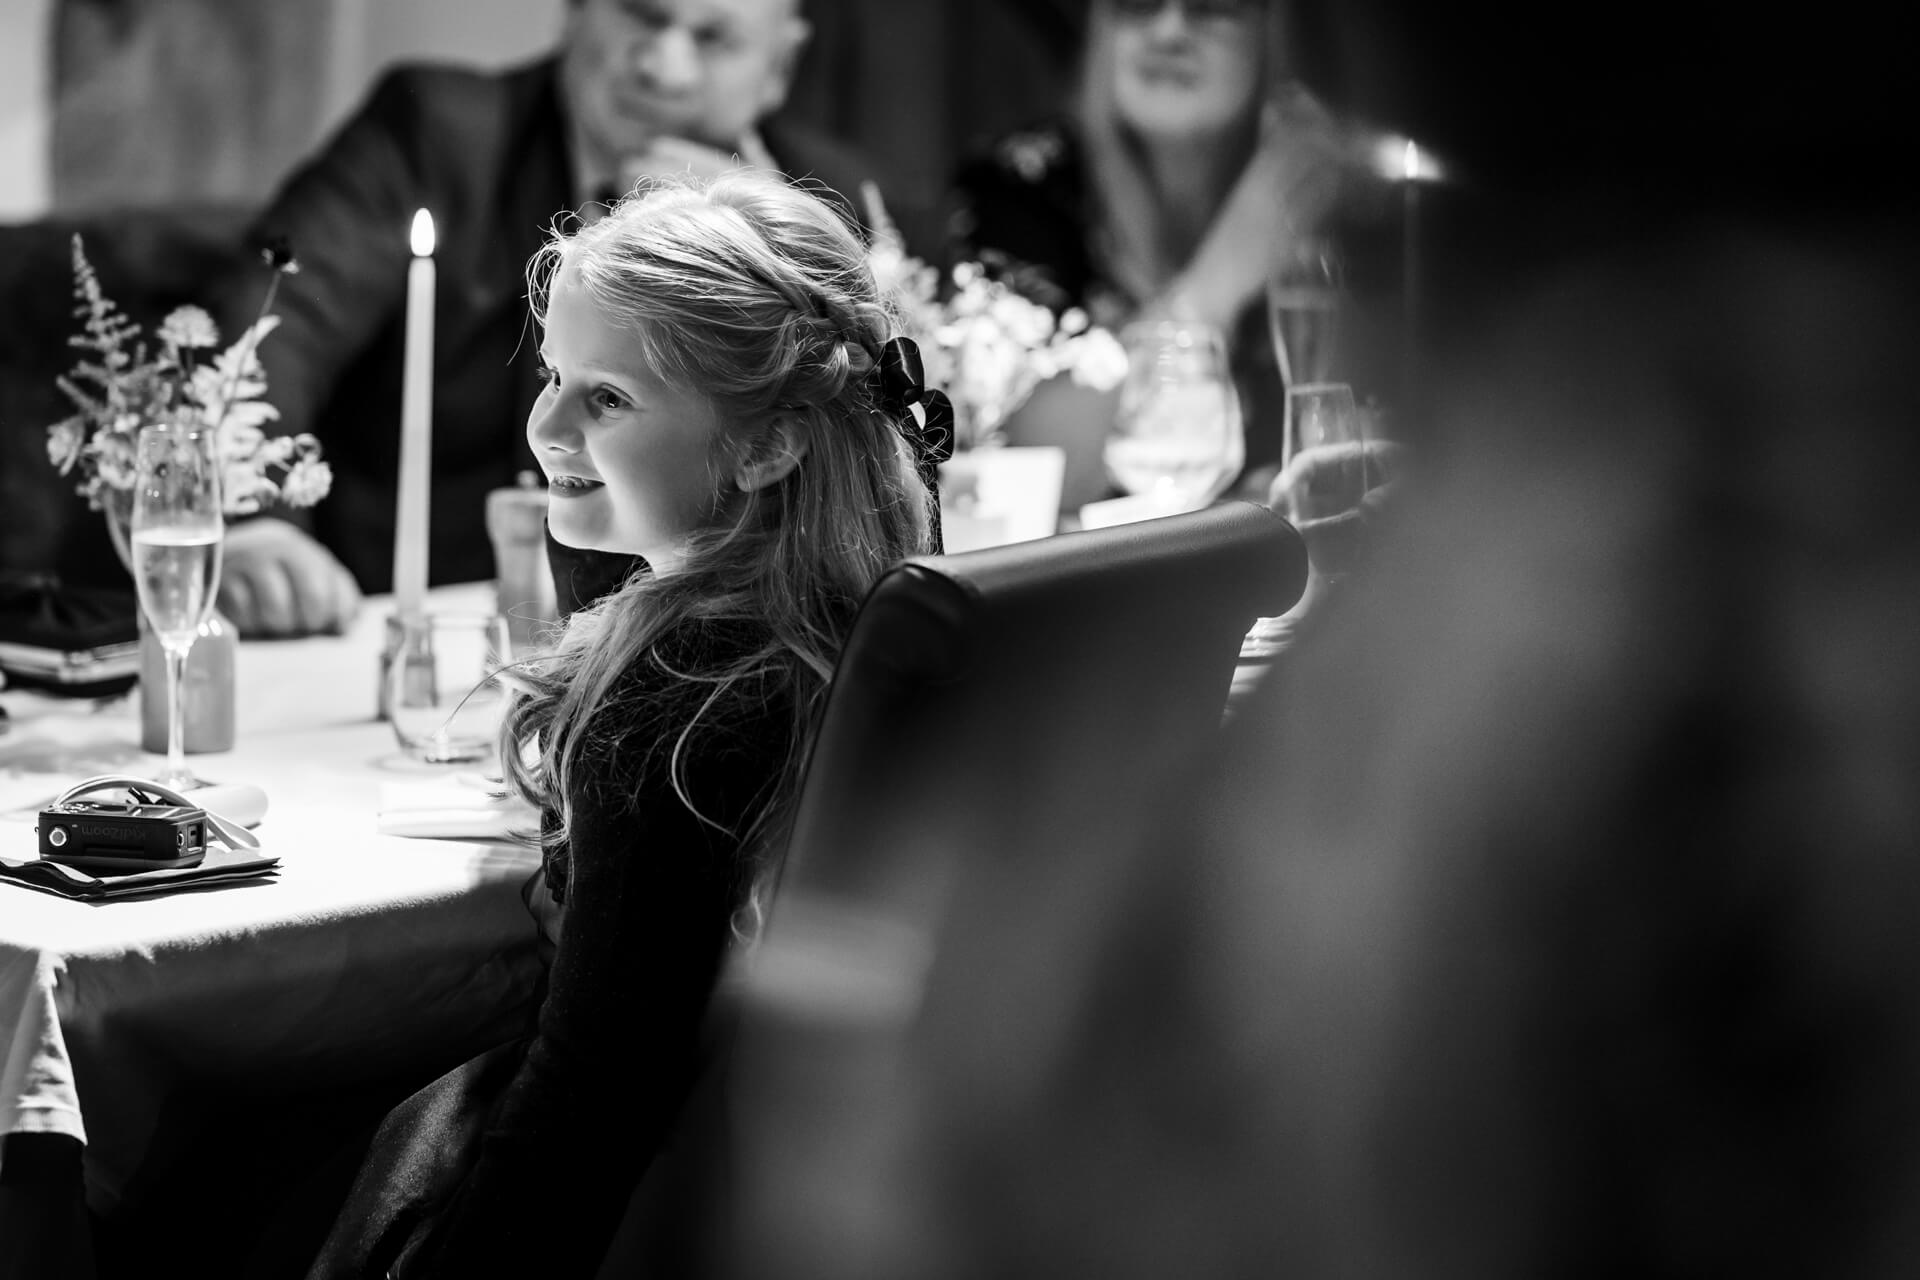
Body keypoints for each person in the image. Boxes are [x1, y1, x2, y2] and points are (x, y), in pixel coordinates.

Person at [279, 170, 937, 1278]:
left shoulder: (676, 698)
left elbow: (596, 1083)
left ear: (770, 446)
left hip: (652, 1201)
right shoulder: (844, 611)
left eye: (609, 398)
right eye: (552, 375)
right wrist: (607, 484)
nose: (544, 423)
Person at [216, 0, 904, 638]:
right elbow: (278, 312)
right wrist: (249, 514)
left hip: (711, 641)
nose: (662, 65)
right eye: (643, 13)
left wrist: (734, 234)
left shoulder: (817, 200)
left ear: (778, 69)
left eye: (714, 37)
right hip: (417, 617)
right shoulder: (438, 129)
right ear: (576, 11)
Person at [947, 0, 1368, 509]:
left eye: (1212, 8)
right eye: (1138, 4)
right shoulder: (1021, 185)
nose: (1169, 31)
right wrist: (1213, 285)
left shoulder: (1334, 195)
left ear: (1274, 33)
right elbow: (1026, 475)